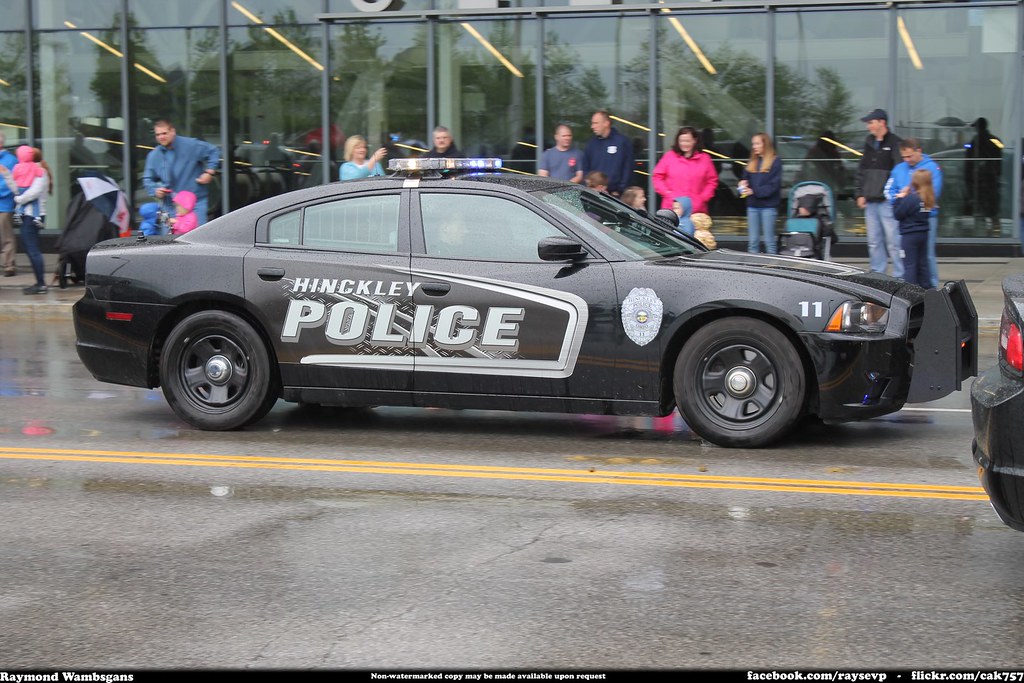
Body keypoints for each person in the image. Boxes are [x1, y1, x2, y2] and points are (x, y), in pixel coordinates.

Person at [885, 138, 943, 287]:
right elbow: (888, 190)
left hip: (916, 222)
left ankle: (919, 289)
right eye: (904, 157)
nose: (907, 160)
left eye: (910, 156)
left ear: (919, 151)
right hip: (916, 221)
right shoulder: (899, 169)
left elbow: (931, 194)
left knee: (920, 259)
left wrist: (902, 199)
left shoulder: (931, 168)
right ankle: (927, 290)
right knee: (918, 259)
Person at [142, 118, 221, 226]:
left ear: (173, 131)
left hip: (195, 204)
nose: (161, 137)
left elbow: (213, 151)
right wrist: (155, 190)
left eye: (164, 133)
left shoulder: (191, 145)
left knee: (195, 239)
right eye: (158, 134)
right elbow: (147, 179)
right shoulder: (154, 156)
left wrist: (209, 172)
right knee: (169, 241)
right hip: (170, 206)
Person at [855, 108, 903, 278]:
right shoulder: (869, 142)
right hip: (870, 200)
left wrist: (894, 194)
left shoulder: (896, 143)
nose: (869, 126)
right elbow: (862, 170)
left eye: (871, 122)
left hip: (887, 201)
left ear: (882, 122)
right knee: (874, 241)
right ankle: (878, 275)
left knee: (893, 241)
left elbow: (899, 171)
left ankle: (900, 275)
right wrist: (859, 193)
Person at [0, 145, 50, 294]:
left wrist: (19, 199)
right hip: (26, 215)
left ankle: (41, 284)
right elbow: (17, 188)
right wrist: (7, 175)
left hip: (34, 216)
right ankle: (39, 282)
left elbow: (33, 193)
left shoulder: (41, 173)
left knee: (33, 250)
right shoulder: (27, 171)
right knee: (30, 249)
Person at [652, 126, 718, 216]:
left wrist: (702, 198)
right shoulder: (669, 156)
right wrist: (667, 193)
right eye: (681, 141)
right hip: (671, 209)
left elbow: (712, 181)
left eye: (687, 141)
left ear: (695, 140)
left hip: (697, 210)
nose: (684, 144)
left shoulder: (705, 158)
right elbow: (657, 177)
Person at [738, 132, 782, 255]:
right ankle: (753, 270)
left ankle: (772, 270)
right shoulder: (752, 161)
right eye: (753, 144)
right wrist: (742, 184)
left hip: (768, 206)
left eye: (757, 143)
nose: (754, 146)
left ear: (765, 144)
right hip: (752, 206)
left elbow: (774, 186)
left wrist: (754, 191)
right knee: (753, 242)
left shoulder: (775, 161)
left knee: (769, 241)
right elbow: (745, 178)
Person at [892, 168, 936, 289]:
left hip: (909, 235)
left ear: (915, 182)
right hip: (923, 234)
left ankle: (911, 290)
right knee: (923, 264)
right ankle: (928, 289)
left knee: (909, 265)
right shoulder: (928, 198)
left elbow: (898, 214)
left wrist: (899, 198)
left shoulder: (912, 199)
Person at [581, 110, 634, 196]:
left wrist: (620, 189)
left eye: (596, 123)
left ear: (606, 123)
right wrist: (589, 187)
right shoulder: (591, 144)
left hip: (615, 195)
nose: (592, 126)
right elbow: (585, 168)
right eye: (592, 123)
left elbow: (628, 168)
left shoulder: (622, 142)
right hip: (595, 194)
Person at [965, 116, 1002, 236]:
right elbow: (1000, 150)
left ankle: (985, 231)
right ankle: (994, 230)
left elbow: (968, 161)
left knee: (980, 206)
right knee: (991, 207)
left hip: (981, 179)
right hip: (990, 179)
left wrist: (968, 177)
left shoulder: (975, 142)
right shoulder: (994, 140)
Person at [799, 131, 848, 197]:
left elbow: (839, 170)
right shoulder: (816, 154)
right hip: (818, 188)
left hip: (821, 187)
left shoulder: (831, 153)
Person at [0, 132, 17, 277]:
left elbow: (10, 184)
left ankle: (9, 265)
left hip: (4, 204)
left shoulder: (10, 160)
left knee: (6, 236)